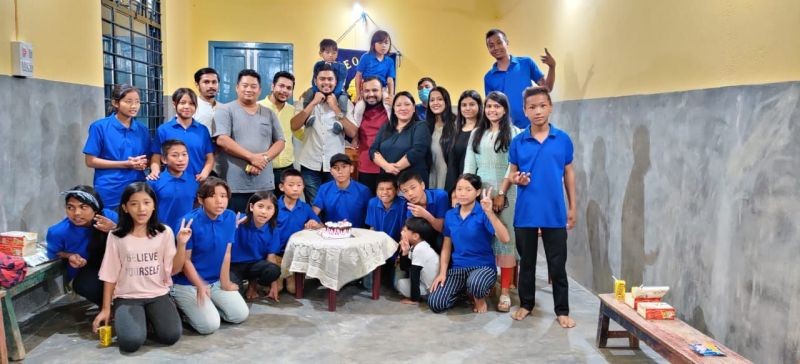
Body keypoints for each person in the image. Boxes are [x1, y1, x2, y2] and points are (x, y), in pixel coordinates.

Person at [508, 86, 576, 328]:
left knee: (557, 264)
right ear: (524, 111)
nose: (537, 111)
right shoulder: (518, 142)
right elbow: (512, 174)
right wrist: (517, 180)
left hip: (554, 211)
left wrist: (572, 206)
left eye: (542, 106)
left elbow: (568, 173)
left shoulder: (563, 139)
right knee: (526, 263)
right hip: (526, 211)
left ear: (550, 107)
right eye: (532, 107)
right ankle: (526, 304)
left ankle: (562, 310)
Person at [91, 182, 187, 353]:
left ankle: (150, 317)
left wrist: (181, 244)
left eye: (146, 202)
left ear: (154, 206)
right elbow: (110, 274)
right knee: (131, 343)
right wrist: (106, 309)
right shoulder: (116, 236)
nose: (141, 209)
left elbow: (175, 269)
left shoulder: (165, 232)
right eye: (134, 203)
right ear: (125, 208)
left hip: (158, 294)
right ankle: (138, 319)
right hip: (128, 297)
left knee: (171, 336)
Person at [463, 91, 522, 312]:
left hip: (507, 192)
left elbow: (512, 166)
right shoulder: (477, 133)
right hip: (481, 191)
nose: (492, 110)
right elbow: (470, 164)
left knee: (506, 240)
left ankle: (505, 291)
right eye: (489, 106)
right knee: (483, 238)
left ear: (505, 109)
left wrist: (502, 193)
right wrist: (469, 190)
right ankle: (485, 286)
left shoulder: (515, 133)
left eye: (497, 107)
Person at [171, 177, 249, 334]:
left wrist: (225, 283)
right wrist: (199, 284)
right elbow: (185, 261)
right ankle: (183, 309)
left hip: (215, 282)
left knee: (240, 314)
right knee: (209, 326)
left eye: (223, 196)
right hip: (188, 283)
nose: (219, 201)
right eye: (212, 196)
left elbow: (226, 252)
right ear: (201, 199)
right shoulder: (188, 221)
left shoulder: (229, 217)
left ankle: (206, 308)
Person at [428, 174, 510, 314]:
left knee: (476, 283)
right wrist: (442, 273)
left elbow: (505, 238)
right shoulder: (450, 215)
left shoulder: (483, 213)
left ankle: (479, 296)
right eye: (459, 189)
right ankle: (466, 292)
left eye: (468, 189)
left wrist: (490, 213)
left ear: (477, 192)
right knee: (435, 303)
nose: (462, 193)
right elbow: (447, 247)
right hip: (458, 269)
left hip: (483, 267)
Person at [214, 69, 286, 214]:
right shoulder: (225, 110)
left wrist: (263, 159)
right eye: (245, 85)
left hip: (264, 183)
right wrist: (252, 158)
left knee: (263, 224)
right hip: (234, 185)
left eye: (253, 86)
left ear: (259, 90)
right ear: (237, 87)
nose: (249, 89)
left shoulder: (268, 113)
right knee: (236, 227)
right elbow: (222, 139)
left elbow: (280, 141)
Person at [290, 63, 358, 203]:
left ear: (336, 81)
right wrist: (313, 103)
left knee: (333, 205)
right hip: (309, 164)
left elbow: (352, 132)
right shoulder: (306, 99)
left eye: (330, 79)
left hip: (335, 166)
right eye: (322, 79)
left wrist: (335, 108)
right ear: (315, 81)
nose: (326, 82)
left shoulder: (344, 102)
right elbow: (294, 125)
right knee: (314, 206)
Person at [46, 186, 118, 306]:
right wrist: (69, 256)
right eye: (70, 207)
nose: (76, 213)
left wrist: (115, 229)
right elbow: (54, 252)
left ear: (95, 209)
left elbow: (133, 240)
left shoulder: (108, 218)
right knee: (85, 286)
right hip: (88, 270)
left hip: (115, 265)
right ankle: (108, 308)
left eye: (83, 207)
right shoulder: (58, 232)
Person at [83, 84, 151, 209]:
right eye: (128, 101)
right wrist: (125, 164)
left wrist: (144, 163)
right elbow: (90, 161)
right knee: (111, 223)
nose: (134, 106)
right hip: (109, 188)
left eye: (137, 102)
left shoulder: (142, 130)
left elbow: (148, 159)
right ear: (115, 103)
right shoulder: (100, 127)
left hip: (137, 186)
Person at [484, 28, 556, 129]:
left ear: (507, 43)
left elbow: (547, 88)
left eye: (499, 42)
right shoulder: (489, 78)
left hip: (531, 127)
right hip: (505, 130)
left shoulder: (526, 63)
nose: (496, 47)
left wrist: (552, 67)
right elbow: (491, 108)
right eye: (491, 46)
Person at [148, 88, 214, 182]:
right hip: (171, 182)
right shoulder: (163, 130)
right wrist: (155, 171)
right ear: (174, 104)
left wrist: (205, 173)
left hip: (197, 182)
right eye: (183, 103)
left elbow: (210, 157)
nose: (187, 107)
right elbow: (156, 156)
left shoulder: (203, 130)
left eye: (191, 103)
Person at [369, 92, 432, 185]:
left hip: (412, 182)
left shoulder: (421, 126)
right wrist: (386, 166)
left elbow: (418, 151)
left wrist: (393, 169)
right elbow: (373, 150)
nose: (403, 108)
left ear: (414, 108)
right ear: (394, 109)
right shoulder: (385, 127)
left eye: (407, 104)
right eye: (398, 105)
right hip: (388, 182)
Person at [276, 168, 322, 293]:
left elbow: (321, 225)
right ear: (281, 187)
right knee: (278, 287)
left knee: (293, 289)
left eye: (299, 185)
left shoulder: (305, 207)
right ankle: (278, 276)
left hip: (295, 254)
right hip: (275, 254)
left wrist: (314, 224)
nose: (295, 189)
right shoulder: (274, 206)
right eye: (291, 185)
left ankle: (290, 275)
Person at [230, 191, 282, 301]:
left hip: (255, 266)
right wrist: (233, 226)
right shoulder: (239, 220)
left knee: (274, 270)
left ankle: (253, 284)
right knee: (234, 297)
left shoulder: (273, 230)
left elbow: (270, 257)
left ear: (274, 212)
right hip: (234, 265)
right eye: (260, 206)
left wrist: (274, 286)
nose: (264, 212)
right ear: (252, 207)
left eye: (269, 208)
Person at [259, 71, 305, 196]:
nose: (284, 90)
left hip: (287, 168)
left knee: (284, 207)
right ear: (272, 86)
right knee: (264, 207)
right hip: (263, 168)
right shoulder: (258, 108)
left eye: (289, 88)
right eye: (281, 86)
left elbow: (300, 135)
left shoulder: (292, 110)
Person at [363, 174, 407, 288]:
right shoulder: (372, 203)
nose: (385, 192)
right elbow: (372, 228)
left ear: (397, 190)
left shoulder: (403, 205)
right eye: (381, 189)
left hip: (397, 250)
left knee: (397, 285)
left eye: (389, 189)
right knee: (368, 285)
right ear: (376, 190)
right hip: (378, 249)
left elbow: (405, 230)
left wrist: (400, 255)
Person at [147, 139, 199, 233]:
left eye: (184, 154)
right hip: (160, 233)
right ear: (164, 159)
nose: (181, 159)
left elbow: (197, 208)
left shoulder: (194, 181)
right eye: (175, 155)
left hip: (187, 233)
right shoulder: (154, 182)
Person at [312, 154, 371, 227]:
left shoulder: (363, 190)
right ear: (331, 171)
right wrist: (322, 227)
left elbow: (371, 216)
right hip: (331, 234)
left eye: (344, 167)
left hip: (356, 234)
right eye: (335, 168)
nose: (340, 171)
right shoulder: (324, 189)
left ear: (351, 169)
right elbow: (313, 214)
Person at [355, 76, 391, 193]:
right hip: (365, 167)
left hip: (388, 167)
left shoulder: (391, 110)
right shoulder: (358, 111)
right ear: (362, 92)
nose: (371, 94)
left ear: (383, 91)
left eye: (375, 90)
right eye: (367, 91)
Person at [443, 90, 482, 194]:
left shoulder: (485, 131)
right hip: (460, 188)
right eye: (464, 105)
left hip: (480, 186)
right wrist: (453, 190)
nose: (467, 108)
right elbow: (452, 165)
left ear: (479, 106)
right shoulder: (456, 132)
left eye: (472, 104)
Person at [353, 30, 396, 124]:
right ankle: (354, 133)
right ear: (373, 44)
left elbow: (390, 80)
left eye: (386, 43)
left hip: (382, 89)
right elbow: (358, 76)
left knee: (389, 105)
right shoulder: (366, 57)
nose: (383, 46)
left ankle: (392, 129)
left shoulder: (389, 61)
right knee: (359, 107)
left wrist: (391, 95)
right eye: (380, 43)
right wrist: (358, 93)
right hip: (367, 89)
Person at [395, 217, 439, 304]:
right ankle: (420, 295)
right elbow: (404, 268)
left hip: (431, 288)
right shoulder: (415, 246)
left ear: (415, 236)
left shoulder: (420, 249)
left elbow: (414, 276)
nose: (401, 233)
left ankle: (421, 297)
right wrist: (405, 252)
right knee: (401, 282)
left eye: (404, 231)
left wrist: (414, 299)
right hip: (425, 283)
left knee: (400, 284)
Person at [425, 86, 456, 190]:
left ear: (446, 102)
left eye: (439, 99)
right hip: (430, 176)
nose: (435, 103)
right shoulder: (426, 126)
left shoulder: (456, 123)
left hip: (449, 177)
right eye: (432, 100)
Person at [193, 67, 219, 134]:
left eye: (214, 82)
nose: (211, 86)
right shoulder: (191, 107)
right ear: (197, 84)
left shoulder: (224, 108)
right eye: (206, 82)